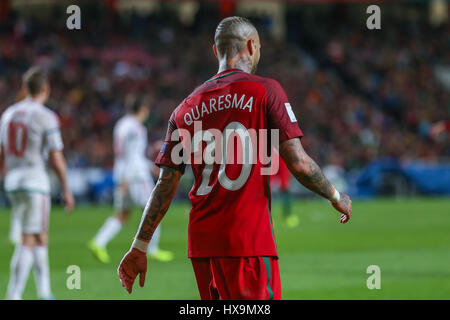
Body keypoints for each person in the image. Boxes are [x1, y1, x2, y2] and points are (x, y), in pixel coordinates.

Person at [117, 16, 352, 300]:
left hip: (203, 246)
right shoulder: (265, 90)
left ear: (216, 51)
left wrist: (139, 246)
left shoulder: (183, 109)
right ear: (252, 46)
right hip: (247, 241)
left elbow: (165, 186)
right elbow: (299, 163)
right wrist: (336, 195)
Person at [0, 66, 75, 300]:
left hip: (13, 181)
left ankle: (45, 292)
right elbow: (56, 157)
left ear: (25, 88)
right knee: (29, 238)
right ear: (46, 89)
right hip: (34, 181)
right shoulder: (46, 116)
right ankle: (13, 295)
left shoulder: (8, 114)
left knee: (39, 235)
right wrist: (65, 188)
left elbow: (2, 153)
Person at [89, 94, 173, 263]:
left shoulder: (121, 125)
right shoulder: (136, 128)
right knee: (153, 209)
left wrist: (147, 167)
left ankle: (98, 242)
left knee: (123, 214)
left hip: (121, 173)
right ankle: (153, 249)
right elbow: (132, 156)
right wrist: (135, 174)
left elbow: (126, 154)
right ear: (142, 109)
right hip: (135, 176)